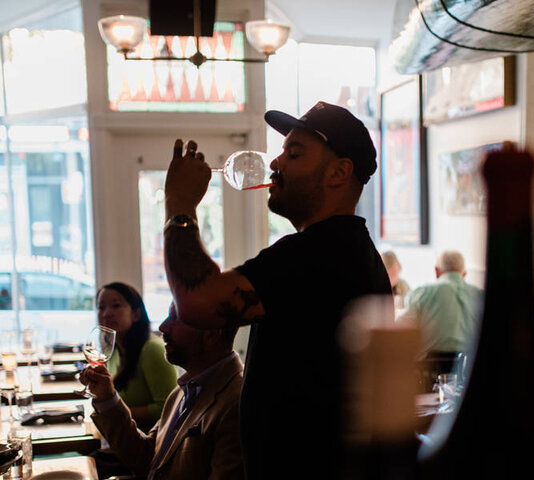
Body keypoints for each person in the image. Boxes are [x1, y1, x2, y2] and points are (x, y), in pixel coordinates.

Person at [163, 101, 392, 479]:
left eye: (294, 154)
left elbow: (199, 301)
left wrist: (180, 205)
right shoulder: (350, 250)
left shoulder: (319, 253)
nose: (275, 163)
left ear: (339, 172)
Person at [81, 303, 244, 480]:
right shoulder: (185, 389)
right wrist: (107, 398)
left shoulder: (238, 404)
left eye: (176, 318)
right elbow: (146, 457)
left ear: (211, 334)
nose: (162, 327)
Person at [96, 282, 177, 432]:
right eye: (101, 307)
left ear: (136, 314)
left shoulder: (152, 349)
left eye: (116, 305)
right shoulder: (113, 350)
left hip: (150, 439)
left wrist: (112, 413)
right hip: (123, 434)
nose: (106, 314)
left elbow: (168, 409)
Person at [397, 251, 483, 361]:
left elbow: (400, 329)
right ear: (464, 274)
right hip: (467, 366)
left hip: (427, 367)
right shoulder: (480, 295)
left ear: (437, 271)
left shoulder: (421, 293)